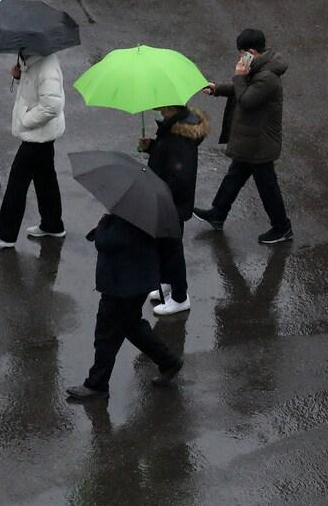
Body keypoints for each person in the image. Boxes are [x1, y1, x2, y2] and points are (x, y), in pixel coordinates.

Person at [66, 214, 184, 400]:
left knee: (106, 333)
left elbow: (107, 241)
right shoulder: (144, 212)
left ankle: (97, 384)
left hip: (123, 285)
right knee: (131, 325)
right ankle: (168, 361)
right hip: (134, 281)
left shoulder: (129, 216)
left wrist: (103, 224)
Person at [192, 29, 293, 245]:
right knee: (234, 176)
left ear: (251, 52)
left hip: (260, 142)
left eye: (241, 54)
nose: (239, 58)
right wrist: (217, 89)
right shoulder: (259, 68)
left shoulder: (268, 77)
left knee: (267, 187)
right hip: (251, 139)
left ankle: (282, 227)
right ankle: (218, 213)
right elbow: (244, 88)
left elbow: (246, 98)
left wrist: (239, 76)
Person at [0, 50, 66, 249]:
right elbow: (35, 92)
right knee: (45, 179)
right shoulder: (33, 60)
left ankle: (5, 233)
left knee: (18, 181)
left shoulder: (46, 66)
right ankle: (52, 224)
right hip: (41, 135)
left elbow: (52, 105)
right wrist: (20, 76)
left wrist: (26, 120)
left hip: (38, 136)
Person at [140, 106, 209, 316]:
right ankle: (168, 282)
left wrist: (161, 195)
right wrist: (152, 147)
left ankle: (180, 297)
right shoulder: (173, 127)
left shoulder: (179, 134)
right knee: (163, 243)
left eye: (160, 105)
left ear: (170, 107)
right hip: (167, 199)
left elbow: (181, 174)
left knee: (171, 247)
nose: (156, 108)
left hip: (171, 202)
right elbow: (168, 156)